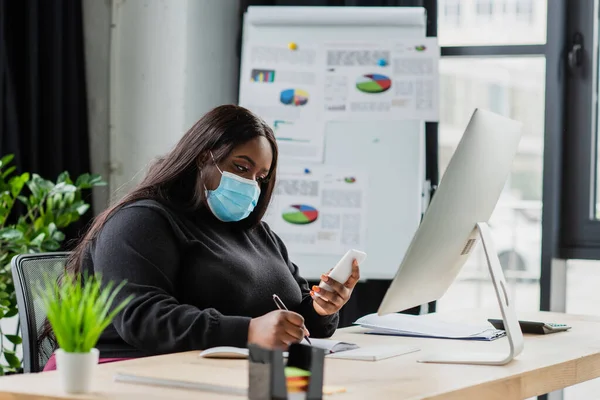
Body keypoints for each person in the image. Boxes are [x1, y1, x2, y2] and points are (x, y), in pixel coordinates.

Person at [41, 104, 361, 371]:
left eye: (260, 177)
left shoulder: (258, 234)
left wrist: (320, 308)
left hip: (229, 374)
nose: (250, 183)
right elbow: (141, 317)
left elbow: (291, 314)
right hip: (135, 374)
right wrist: (248, 330)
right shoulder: (141, 220)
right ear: (202, 158)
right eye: (240, 167)